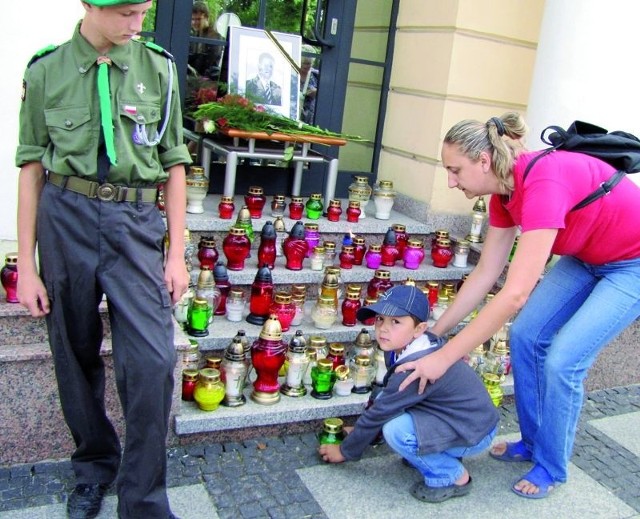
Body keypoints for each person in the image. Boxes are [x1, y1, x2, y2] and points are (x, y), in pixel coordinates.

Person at [397, 112, 640, 499]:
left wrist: (444, 360)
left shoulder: (543, 180)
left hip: (632, 265)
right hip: (586, 257)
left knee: (564, 362)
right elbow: (485, 273)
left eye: (455, 170)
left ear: (483, 161)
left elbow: (515, 294)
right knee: (526, 335)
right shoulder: (503, 194)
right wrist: (437, 336)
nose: (451, 181)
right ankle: (532, 442)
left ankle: (551, 465)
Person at [15, 1, 191, 517]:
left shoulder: (157, 67)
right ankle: (93, 467)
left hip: (135, 222)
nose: (137, 25)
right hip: (64, 216)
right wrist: (27, 266)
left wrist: (176, 253)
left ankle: (142, 501)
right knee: (74, 351)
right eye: (126, 14)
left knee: (154, 363)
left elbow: (175, 163)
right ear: (89, 5)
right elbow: (30, 167)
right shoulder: (45, 69)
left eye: (142, 12)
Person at [318, 285, 499, 503]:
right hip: (463, 421)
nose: (383, 328)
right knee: (387, 402)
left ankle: (451, 476)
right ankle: (436, 451)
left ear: (419, 328)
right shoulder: (407, 346)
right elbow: (386, 396)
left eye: (396, 322)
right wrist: (361, 430)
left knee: (396, 431)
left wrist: (345, 451)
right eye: (380, 320)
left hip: (475, 432)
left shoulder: (415, 366)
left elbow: (381, 411)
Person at [188, 1, 222, 79]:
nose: (194, 22)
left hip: (206, 82)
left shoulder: (214, 37)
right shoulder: (194, 35)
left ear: (207, 18)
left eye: (198, 19)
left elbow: (210, 64)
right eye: (192, 19)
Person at [299, 47, 319, 124]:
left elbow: (327, 92)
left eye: (310, 63)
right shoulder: (292, 73)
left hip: (311, 117)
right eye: (305, 63)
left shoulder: (316, 75)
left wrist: (317, 92)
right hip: (295, 114)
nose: (307, 66)